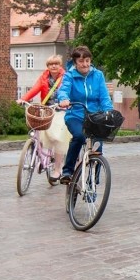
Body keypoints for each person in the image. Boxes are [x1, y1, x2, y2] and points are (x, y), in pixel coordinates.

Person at [57, 45, 114, 184]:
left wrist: (109, 111)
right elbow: (63, 89)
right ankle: (67, 171)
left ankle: (92, 181)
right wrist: (64, 99)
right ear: (75, 62)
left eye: (87, 60)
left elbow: (104, 96)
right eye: (81, 61)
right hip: (75, 115)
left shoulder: (98, 75)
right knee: (79, 136)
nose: (85, 64)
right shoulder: (69, 75)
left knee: (98, 147)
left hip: (95, 117)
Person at [17, 55, 71, 181]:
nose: (54, 66)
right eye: (51, 64)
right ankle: (42, 155)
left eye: (56, 64)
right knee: (40, 131)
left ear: (60, 65)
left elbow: (68, 91)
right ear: (47, 66)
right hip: (46, 109)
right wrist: (23, 99)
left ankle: (58, 169)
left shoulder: (66, 77)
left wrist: (66, 101)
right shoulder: (44, 77)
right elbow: (35, 89)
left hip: (61, 110)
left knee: (58, 137)